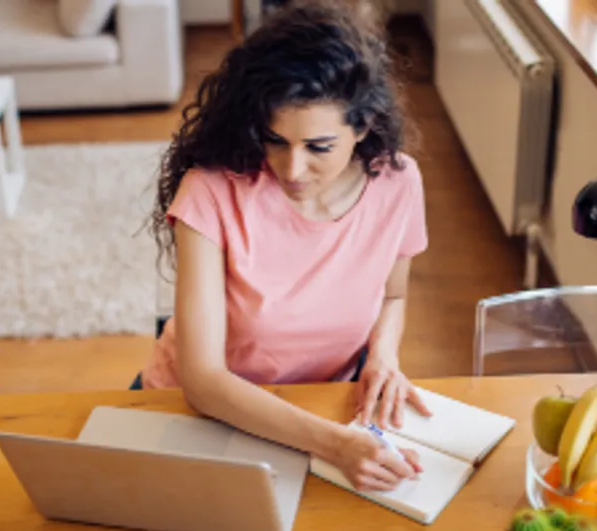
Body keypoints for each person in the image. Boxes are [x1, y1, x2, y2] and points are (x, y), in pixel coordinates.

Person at [133, 0, 433, 493]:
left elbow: (393, 296)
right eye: (275, 141)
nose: (291, 170)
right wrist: (333, 444)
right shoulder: (211, 191)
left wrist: (382, 356)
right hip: (205, 411)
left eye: (318, 147)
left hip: (322, 406)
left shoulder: (398, 183)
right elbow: (203, 380)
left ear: (362, 127)